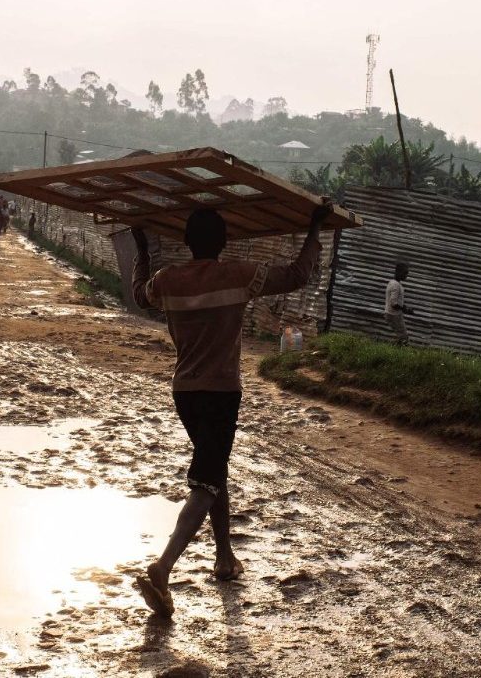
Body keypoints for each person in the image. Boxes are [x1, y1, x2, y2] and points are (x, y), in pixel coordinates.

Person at [130, 203, 332, 618]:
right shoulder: (240, 275)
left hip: (184, 391)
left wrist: (143, 250)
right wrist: (314, 230)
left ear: (186, 242)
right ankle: (162, 567)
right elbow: (298, 274)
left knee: (214, 470)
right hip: (221, 392)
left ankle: (224, 558)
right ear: (224, 242)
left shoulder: (167, 281)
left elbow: (138, 293)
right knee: (206, 480)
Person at [385, 263, 411, 345]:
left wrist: (405, 307)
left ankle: (393, 350)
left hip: (395, 314)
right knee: (404, 338)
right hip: (393, 315)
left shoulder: (394, 283)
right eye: (405, 273)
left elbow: (395, 301)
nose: (406, 275)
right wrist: (405, 309)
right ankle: (392, 351)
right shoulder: (395, 285)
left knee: (402, 337)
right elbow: (393, 303)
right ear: (398, 272)